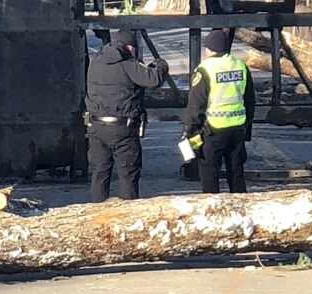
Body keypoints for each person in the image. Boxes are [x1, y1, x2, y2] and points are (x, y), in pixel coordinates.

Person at [84, 29, 169, 202]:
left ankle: (95, 214)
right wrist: (160, 64)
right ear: (130, 47)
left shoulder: (96, 62)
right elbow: (153, 79)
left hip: (95, 126)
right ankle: (128, 215)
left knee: (100, 173)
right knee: (128, 174)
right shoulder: (127, 64)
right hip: (122, 129)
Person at [183, 29, 255, 194]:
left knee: (209, 172)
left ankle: (213, 210)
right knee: (236, 172)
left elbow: (196, 105)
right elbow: (250, 101)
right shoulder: (240, 66)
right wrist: (247, 129)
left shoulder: (205, 69)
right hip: (237, 128)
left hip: (213, 130)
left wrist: (191, 130)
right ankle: (240, 210)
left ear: (209, 48)